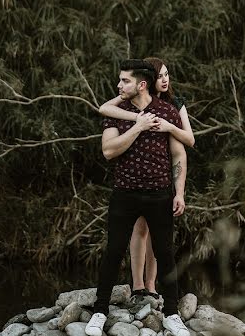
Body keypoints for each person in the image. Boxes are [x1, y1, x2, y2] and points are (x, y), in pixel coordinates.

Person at [86, 59, 190, 336]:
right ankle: (99, 311)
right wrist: (138, 126)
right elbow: (109, 151)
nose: (119, 86)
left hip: (160, 193)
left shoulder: (167, 111)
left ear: (141, 85)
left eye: (125, 81)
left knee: (166, 253)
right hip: (125, 193)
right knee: (113, 252)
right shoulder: (118, 112)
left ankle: (171, 314)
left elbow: (179, 154)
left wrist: (179, 193)